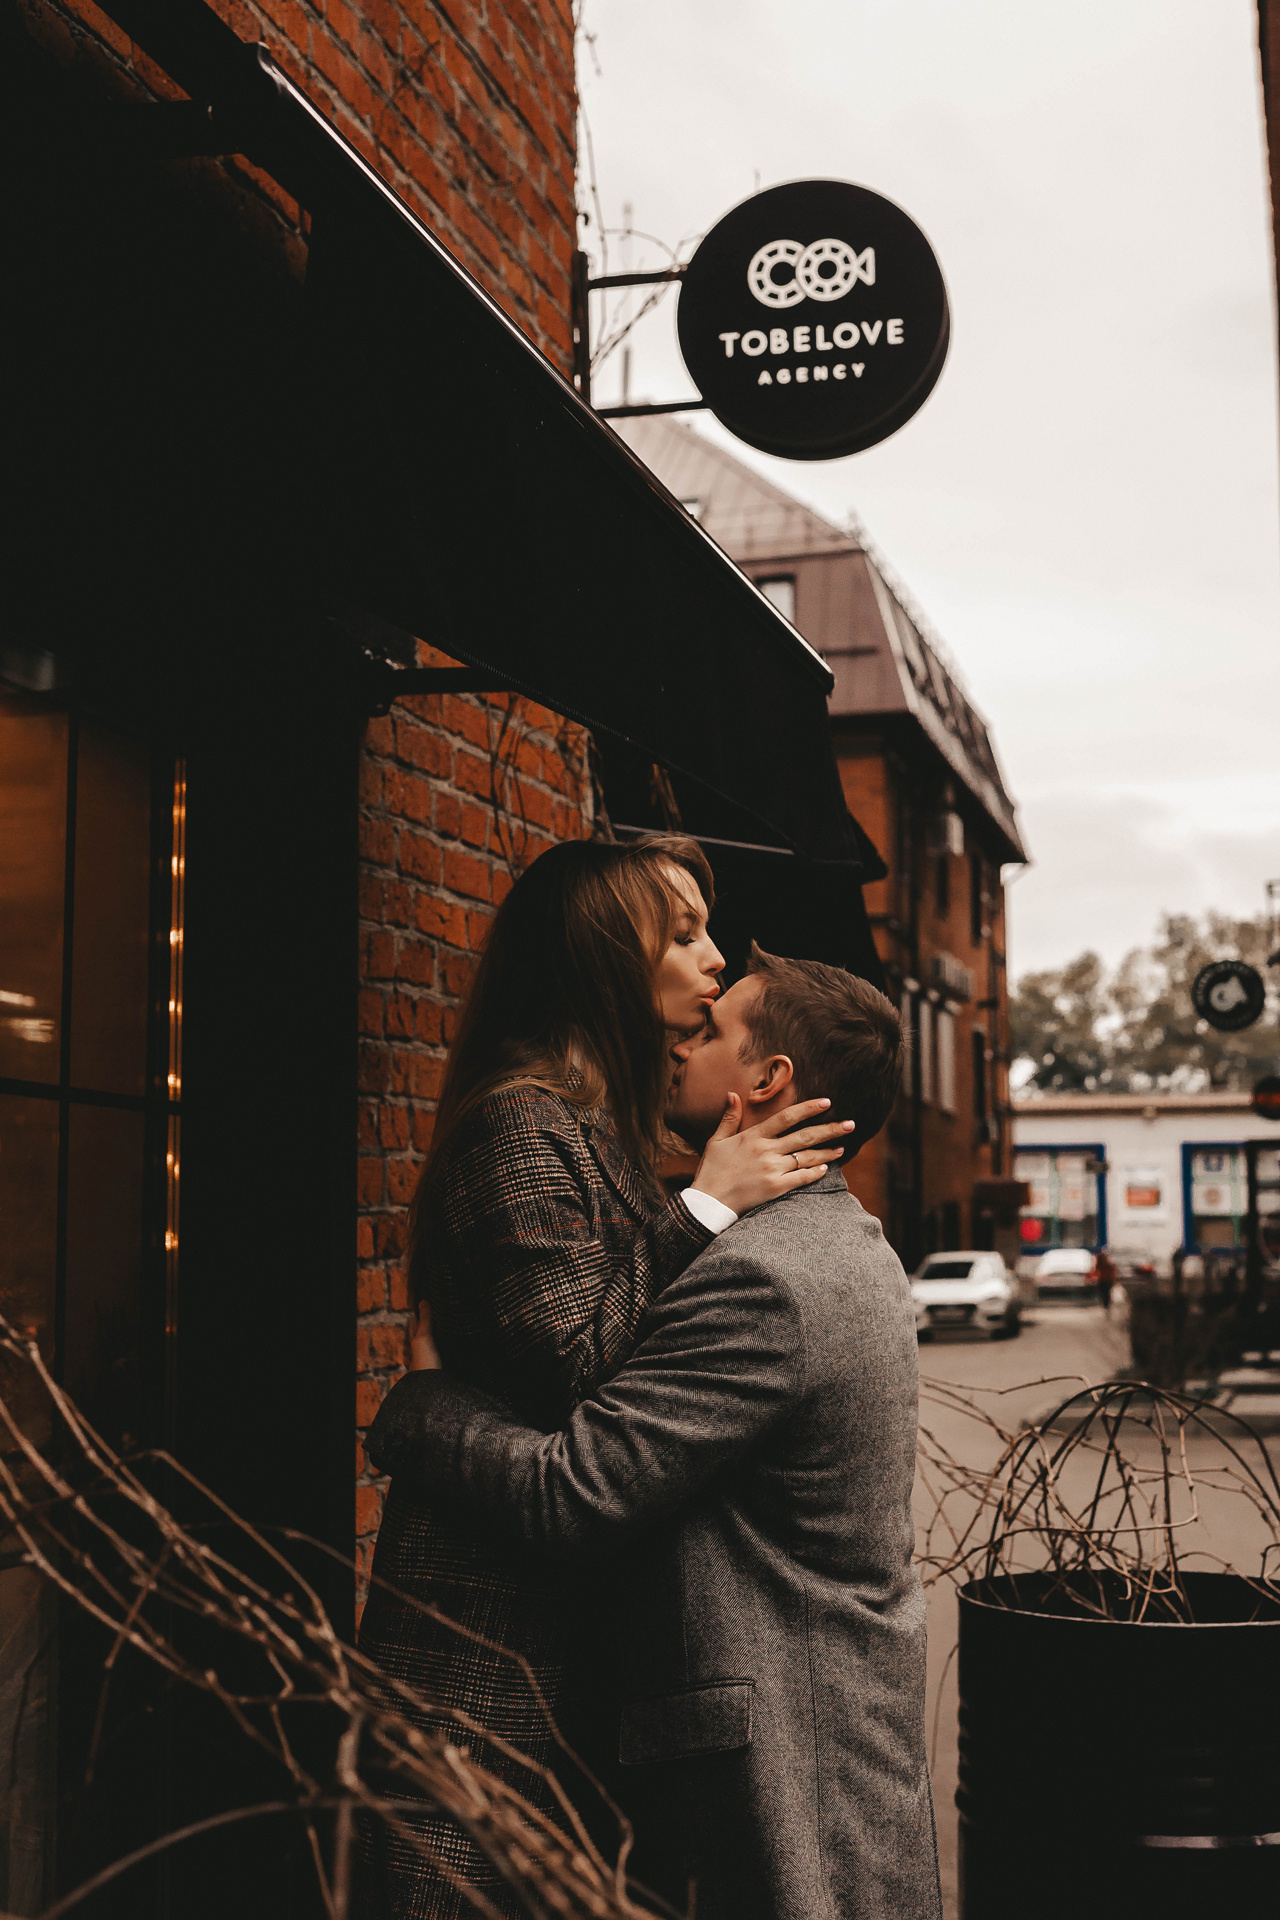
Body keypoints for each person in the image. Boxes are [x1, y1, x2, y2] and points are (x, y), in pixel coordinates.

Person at [370, 946, 943, 1920]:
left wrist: (424, 1405)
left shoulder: (760, 1275)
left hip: (780, 1748)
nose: (683, 1041)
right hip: (835, 1725)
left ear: (765, 1082)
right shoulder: (848, 1239)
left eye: (712, 1032)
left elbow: (573, 1493)